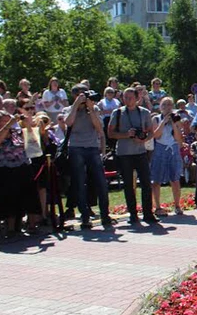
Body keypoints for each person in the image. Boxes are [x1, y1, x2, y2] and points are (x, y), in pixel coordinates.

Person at [62, 84, 115, 229]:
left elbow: (99, 128)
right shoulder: (69, 109)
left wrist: (90, 109)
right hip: (76, 148)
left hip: (92, 147)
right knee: (79, 183)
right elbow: (68, 122)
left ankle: (105, 215)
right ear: (75, 95)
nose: (85, 97)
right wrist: (76, 105)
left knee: (101, 181)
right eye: (81, 94)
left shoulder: (94, 108)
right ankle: (85, 217)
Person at [108, 88, 157, 225]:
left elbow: (151, 132)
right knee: (128, 185)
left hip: (140, 152)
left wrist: (143, 139)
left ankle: (148, 213)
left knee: (146, 183)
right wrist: (126, 135)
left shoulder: (144, 112)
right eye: (125, 97)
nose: (127, 100)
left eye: (130, 97)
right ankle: (133, 214)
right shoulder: (117, 113)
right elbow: (110, 133)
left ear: (137, 98)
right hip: (124, 153)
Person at [0, 110, 41, 235]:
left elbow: (33, 144)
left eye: (9, 120)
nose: (8, 122)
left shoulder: (17, 133)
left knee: (30, 195)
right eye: (4, 121)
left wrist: (27, 124)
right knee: (9, 198)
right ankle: (10, 228)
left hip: (23, 166)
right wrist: (9, 124)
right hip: (5, 169)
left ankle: (32, 225)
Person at [150, 97, 185, 216]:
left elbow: (179, 139)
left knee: (175, 179)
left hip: (173, 149)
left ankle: (177, 205)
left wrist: (174, 124)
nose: (167, 107)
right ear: (160, 107)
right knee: (156, 179)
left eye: (170, 105)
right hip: (160, 149)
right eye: (164, 105)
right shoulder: (156, 119)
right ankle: (158, 207)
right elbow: (156, 135)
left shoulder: (177, 119)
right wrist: (163, 122)